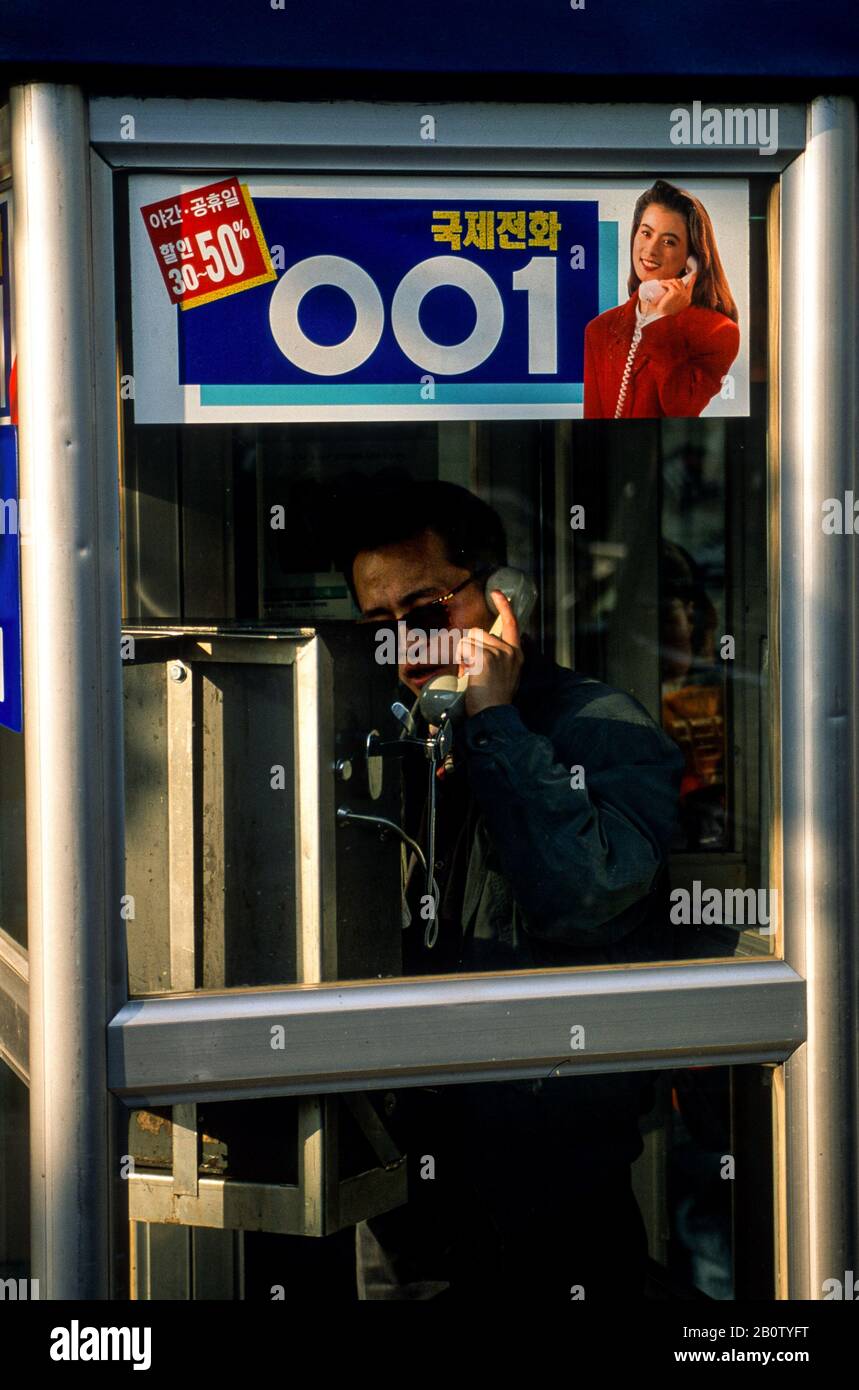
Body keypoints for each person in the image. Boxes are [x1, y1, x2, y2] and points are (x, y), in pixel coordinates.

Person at [334, 479, 684, 1299]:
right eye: (378, 631)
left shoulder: (597, 726)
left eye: (425, 615)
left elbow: (585, 892)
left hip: (552, 1185)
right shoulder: (392, 740)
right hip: (403, 1187)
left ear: (499, 601)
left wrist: (495, 725)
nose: (408, 650)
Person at [583, 179, 740, 419]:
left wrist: (666, 319)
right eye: (646, 233)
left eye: (668, 241)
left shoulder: (718, 332)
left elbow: (682, 408)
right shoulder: (599, 329)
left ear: (691, 259)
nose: (651, 250)